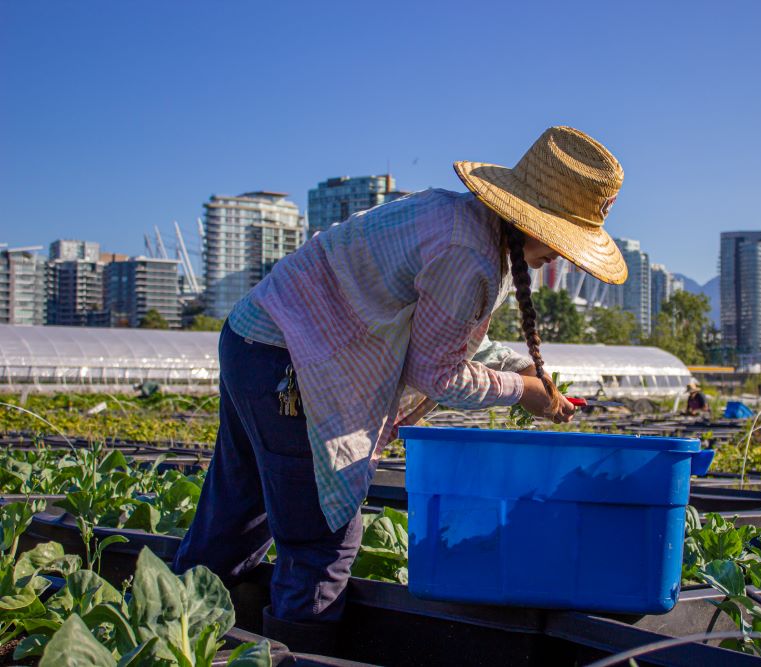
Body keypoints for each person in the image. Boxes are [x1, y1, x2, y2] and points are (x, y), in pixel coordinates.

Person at [173, 126, 628, 653]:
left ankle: (171, 633)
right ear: (534, 219)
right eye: (565, 242)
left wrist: (523, 369)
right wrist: (522, 391)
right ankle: (294, 656)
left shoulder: (464, 222)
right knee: (323, 545)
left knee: (236, 513)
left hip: (256, 337)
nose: (565, 258)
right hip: (290, 364)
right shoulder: (469, 252)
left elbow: (445, 334)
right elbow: (438, 374)